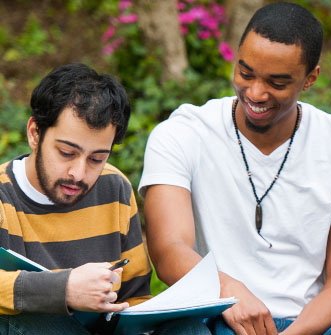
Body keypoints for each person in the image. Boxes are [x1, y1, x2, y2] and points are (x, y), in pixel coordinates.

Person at [139, 2, 331, 335]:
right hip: (215, 315)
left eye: (277, 82)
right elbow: (168, 250)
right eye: (245, 73)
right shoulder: (182, 133)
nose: (255, 93)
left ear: (311, 78)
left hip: (309, 326)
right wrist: (227, 289)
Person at [0, 63, 209, 335]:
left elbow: (135, 297)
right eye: (66, 152)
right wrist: (64, 290)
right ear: (34, 133)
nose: (79, 173)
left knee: (189, 329)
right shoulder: (4, 195)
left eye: (97, 158)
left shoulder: (115, 187)